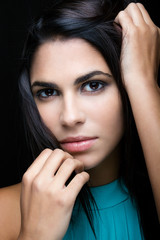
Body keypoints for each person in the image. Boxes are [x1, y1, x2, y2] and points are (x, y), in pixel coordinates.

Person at [0, 0, 160, 239]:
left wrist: (143, 81)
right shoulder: (5, 212)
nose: (70, 117)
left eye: (93, 85)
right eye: (48, 92)